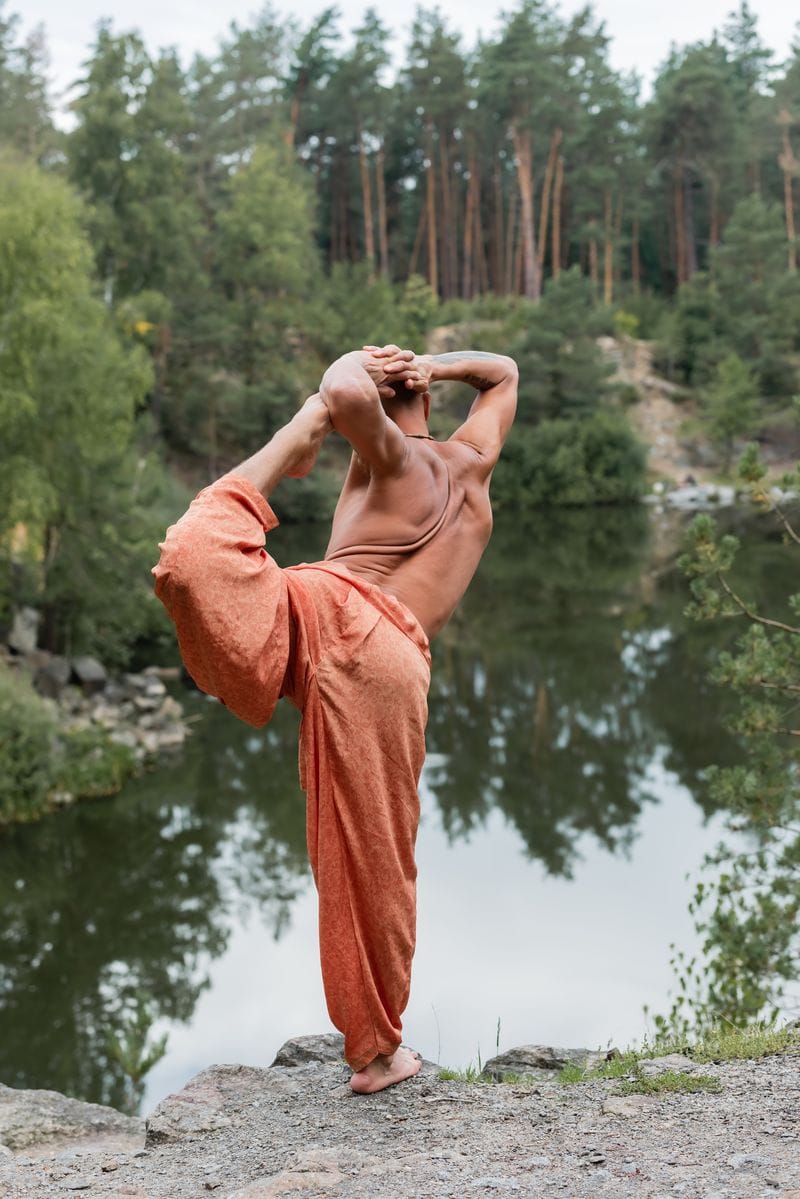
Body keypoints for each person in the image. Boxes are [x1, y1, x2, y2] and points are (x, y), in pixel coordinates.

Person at [152, 344, 518, 1094]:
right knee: (374, 856)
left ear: (387, 408)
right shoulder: (473, 463)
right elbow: (505, 371)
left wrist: (349, 377)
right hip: (392, 661)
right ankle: (380, 1052)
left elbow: (346, 393)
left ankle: (233, 668)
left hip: (334, 614)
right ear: (429, 400)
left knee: (194, 555)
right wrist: (430, 364)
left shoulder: (395, 456)